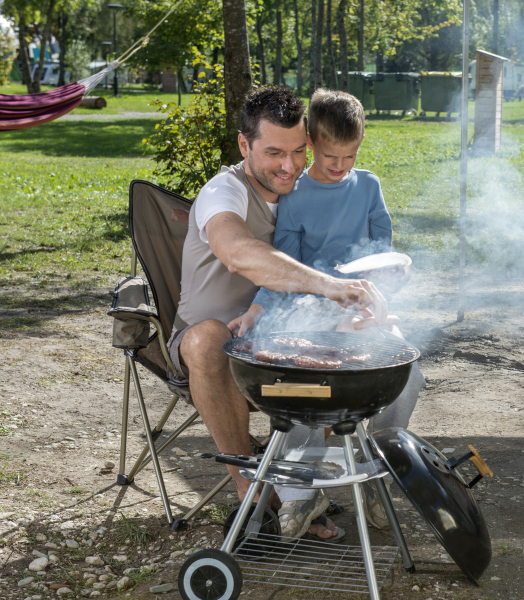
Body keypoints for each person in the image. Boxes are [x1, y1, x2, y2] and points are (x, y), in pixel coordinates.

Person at [168, 87, 391, 537]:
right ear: (245, 146)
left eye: (296, 151)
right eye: (273, 152)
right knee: (209, 337)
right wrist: (326, 285)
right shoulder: (223, 192)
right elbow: (237, 252)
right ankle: (255, 496)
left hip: (284, 341)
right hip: (211, 349)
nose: (288, 166)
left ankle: (306, 490)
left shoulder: (301, 196)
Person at [230, 89, 425, 540]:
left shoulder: (369, 186)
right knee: (307, 382)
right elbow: (284, 268)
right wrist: (259, 307)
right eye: (331, 155)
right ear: (312, 144)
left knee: (407, 373)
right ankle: (301, 493)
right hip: (312, 304)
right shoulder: (296, 198)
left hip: (364, 301)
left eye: (350, 156)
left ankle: (375, 470)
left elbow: (383, 251)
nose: (340, 166)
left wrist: (396, 272)